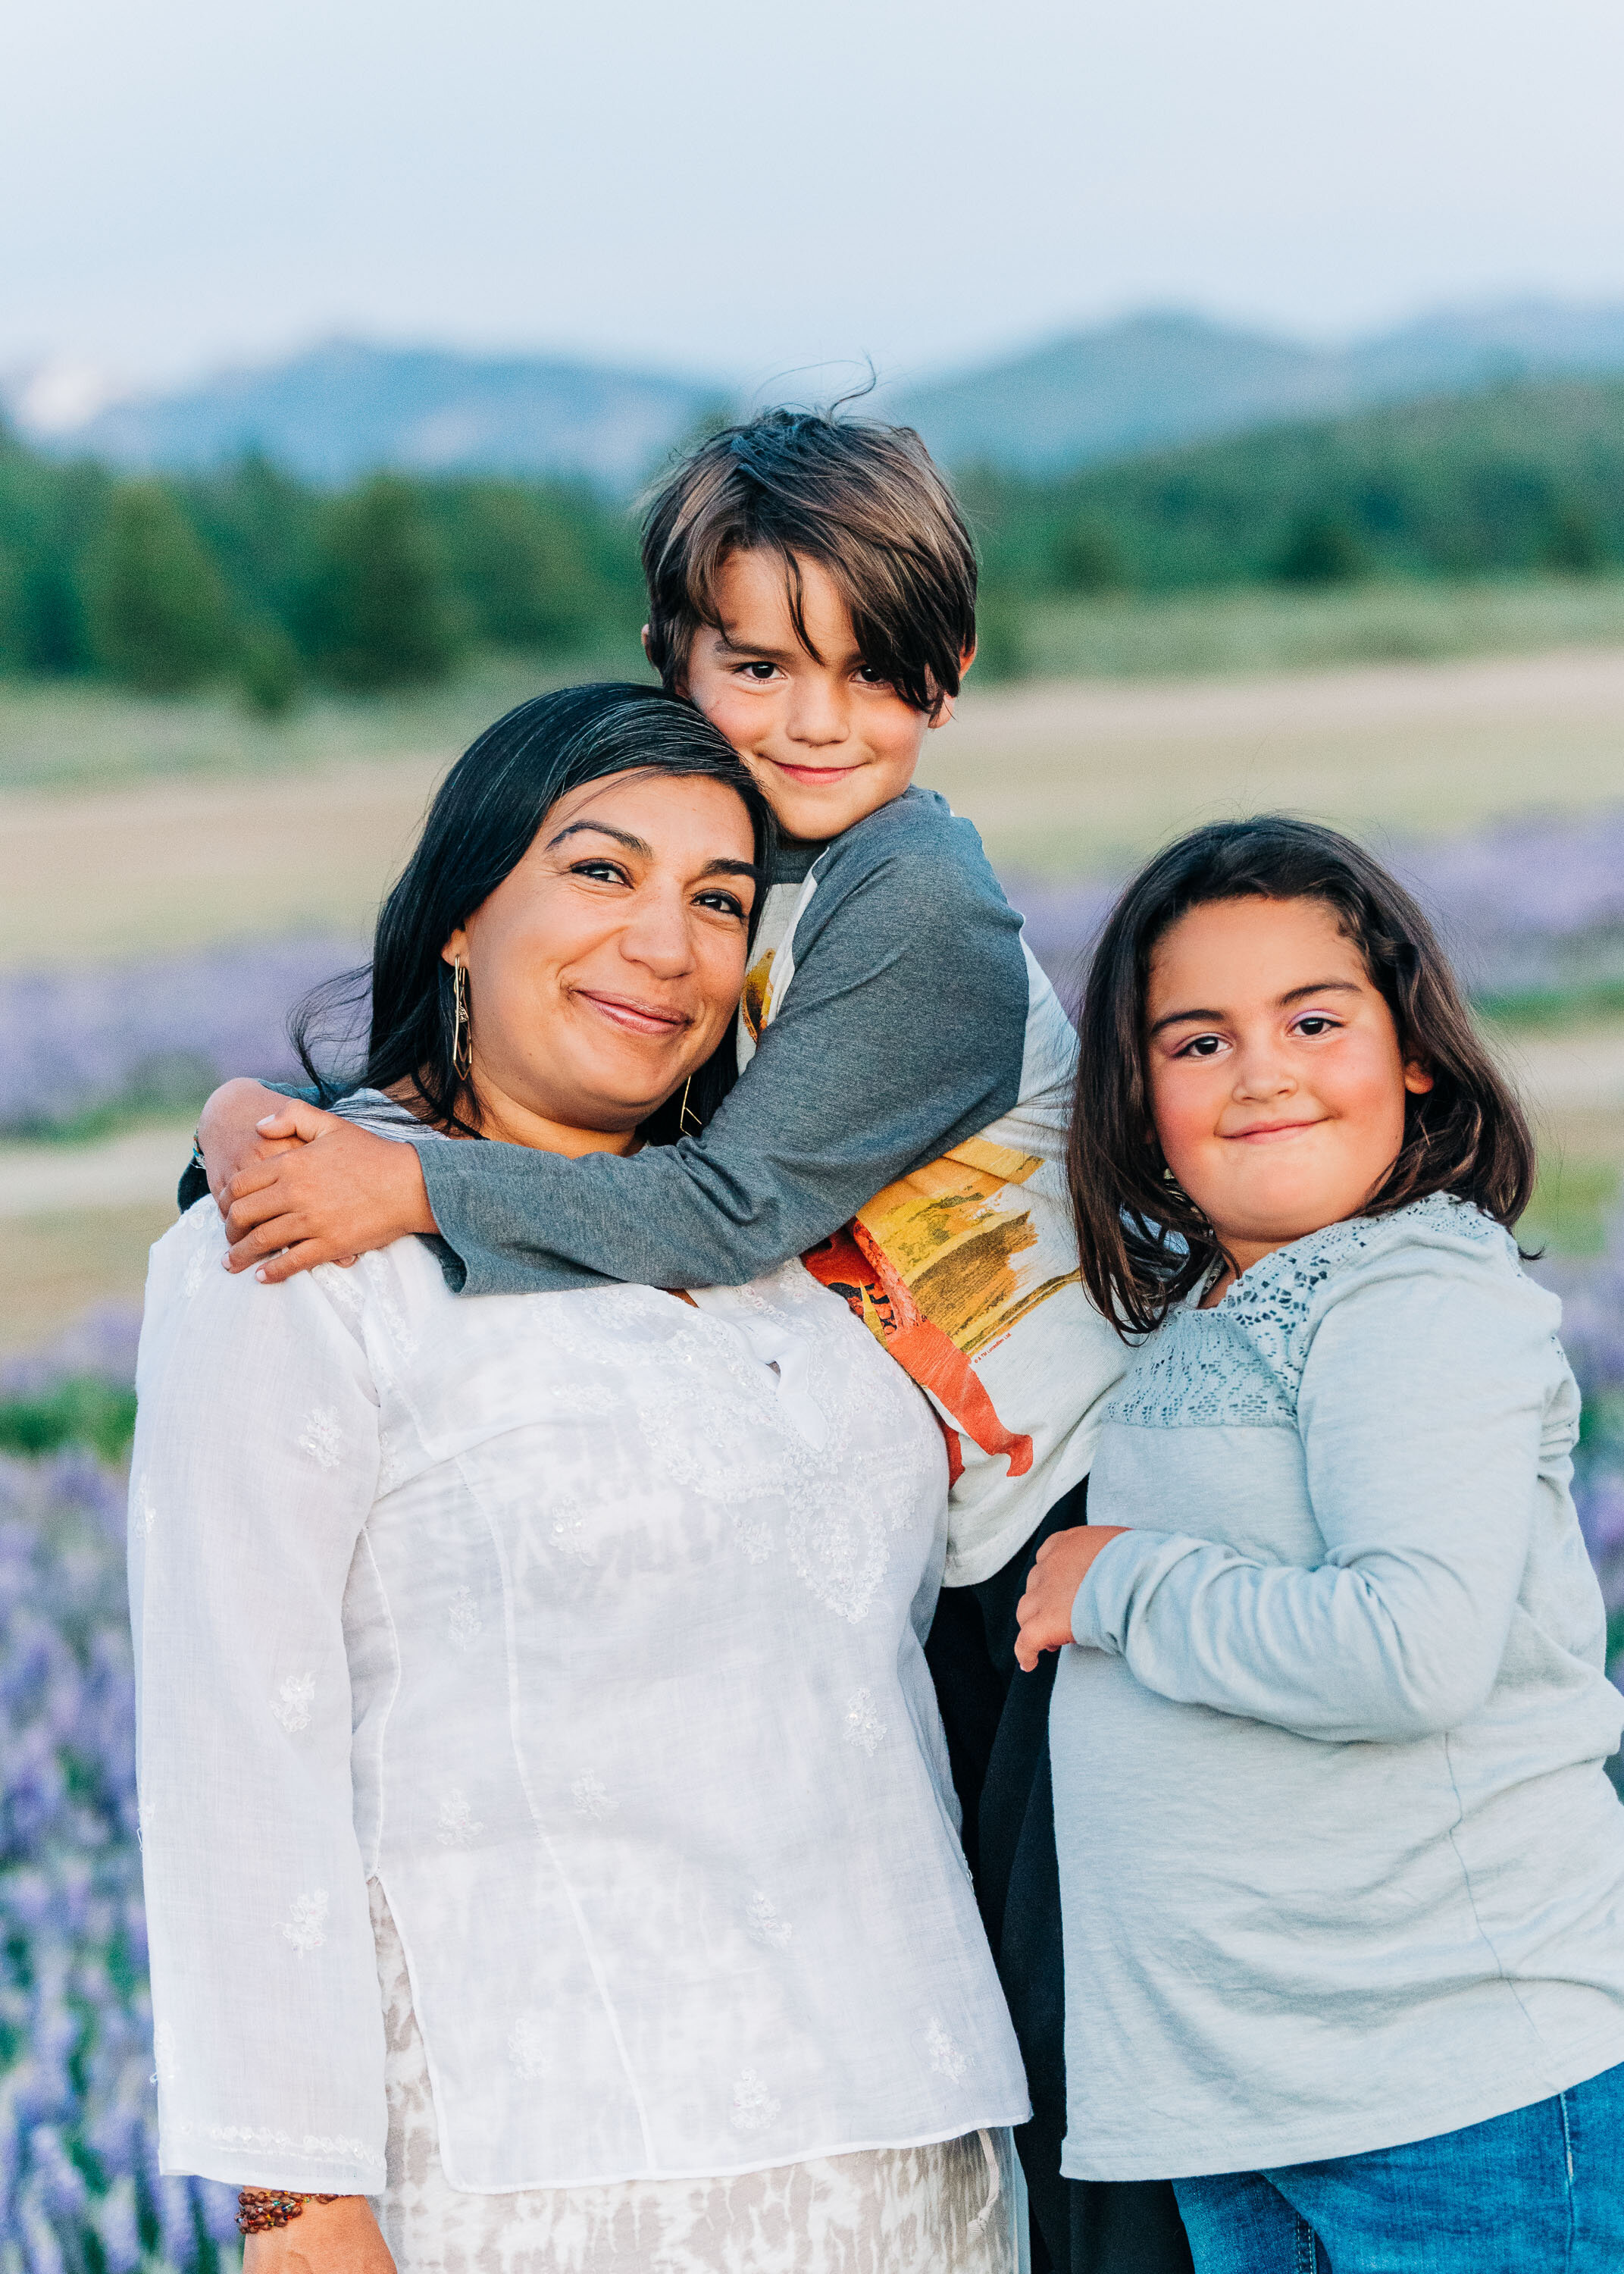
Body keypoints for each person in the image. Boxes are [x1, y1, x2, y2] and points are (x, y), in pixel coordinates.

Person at [185, 412, 1189, 2274]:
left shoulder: (924, 920)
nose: (816, 722)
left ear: (948, 683)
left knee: (1106, 2085)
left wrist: (409, 1199)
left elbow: (726, 1210)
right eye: (758, 666)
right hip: (965, 1568)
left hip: (1086, 1516)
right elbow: (509, 1088)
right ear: (674, 660)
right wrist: (244, 1119)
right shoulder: (737, 890)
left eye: (873, 674)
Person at [131, 683, 1032, 2274]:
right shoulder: (297, 1246)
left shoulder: (775, 1236)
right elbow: (235, 1737)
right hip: (558, 2169)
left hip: (920, 2137)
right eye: (601, 873)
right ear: (462, 912)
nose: (666, 947)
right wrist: (296, 2200)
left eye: (718, 902)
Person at [1016, 816, 1624, 2272]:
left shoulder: (1413, 1297)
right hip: (1262, 2098)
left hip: (1451, 2084)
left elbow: (1409, 1652)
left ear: (1413, 1049)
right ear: (1135, 1092)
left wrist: (1125, 1582)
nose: (1263, 1071)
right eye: (1197, 1041)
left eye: (1312, 1019)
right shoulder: (1198, 1312)